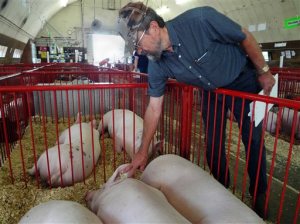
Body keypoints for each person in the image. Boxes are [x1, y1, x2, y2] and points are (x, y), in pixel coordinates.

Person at [118, 2, 275, 218]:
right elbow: (154, 108)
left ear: (153, 27)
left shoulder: (201, 20)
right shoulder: (157, 64)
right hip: (210, 91)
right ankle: (221, 190)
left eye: (137, 43)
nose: (138, 51)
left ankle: (259, 193)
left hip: (243, 83)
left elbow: (244, 36)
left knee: (253, 140)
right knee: (212, 143)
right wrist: (142, 151)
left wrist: (264, 71)